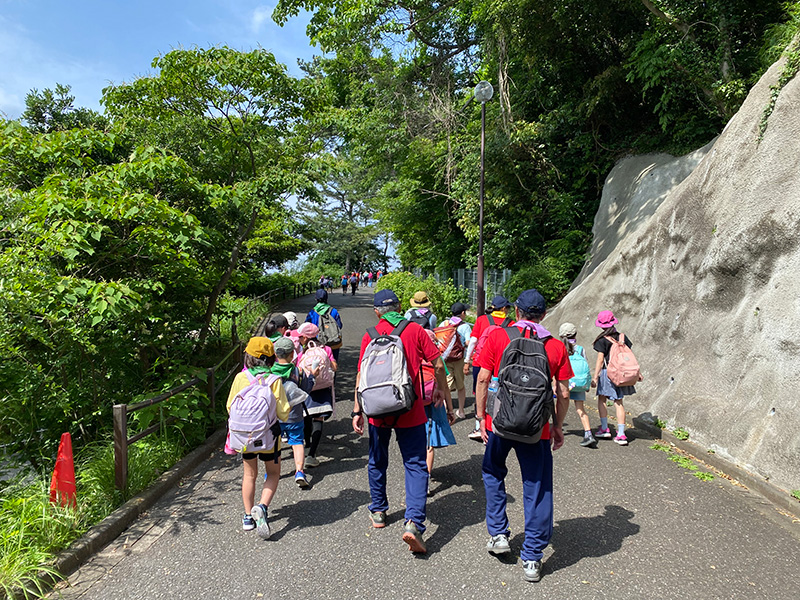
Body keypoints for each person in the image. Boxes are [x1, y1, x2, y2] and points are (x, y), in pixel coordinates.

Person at [475, 289, 572, 583]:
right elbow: (564, 392)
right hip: (537, 428)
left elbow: (482, 377)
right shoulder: (555, 346)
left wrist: (481, 418)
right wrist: (557, 424)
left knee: (493, 472)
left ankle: (499, 535)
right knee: (538, 487)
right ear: (543, 315)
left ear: (516, 312)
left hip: (500, 424)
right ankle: (532, 557)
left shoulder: (498, 336)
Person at [352, 289, 449, 554]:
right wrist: (440, 388)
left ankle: (379, 511)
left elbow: (362, 374)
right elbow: (438, 364)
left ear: (376, 311)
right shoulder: (415, 331)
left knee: (377, 460)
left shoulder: (369, 335)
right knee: (416, 464)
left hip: (376, 409)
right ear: (398, 306)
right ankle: (414, 522)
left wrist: (357, 410)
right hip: (410, 407)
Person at [227, 337, 289, 539]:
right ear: (271, 359)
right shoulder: (274, 381)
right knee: (272, 473)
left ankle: (247, 517)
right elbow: (283, 413)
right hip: (269, 438)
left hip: (245, 439)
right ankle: (262, 507)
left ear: (249, 357)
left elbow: (230, 406)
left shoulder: (239, 379)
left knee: (249, 475)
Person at [463, 295, 514, 440]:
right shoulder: (511, 323)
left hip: (480, 362)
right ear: (504, 308)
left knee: (479, 393)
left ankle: (479, 427)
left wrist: (467, 360)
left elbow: (473, 341)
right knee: (498, 394)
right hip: (500, 365)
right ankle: (496, 426)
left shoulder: (481, 320)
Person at [591, 310, 643, 445]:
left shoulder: (602, 340)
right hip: (621, 373)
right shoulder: (622, 337)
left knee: (602, 399)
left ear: (601, 325)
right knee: (619, 403)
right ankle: (621, 434)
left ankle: (604, 429)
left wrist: (595, 377)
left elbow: (600, 360)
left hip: (606, 373)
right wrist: (638, 372)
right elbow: (629, 355)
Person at [273, 336, 317, 488]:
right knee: (297, 442)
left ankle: (272, 473)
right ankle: (299, 471)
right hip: (294, 414)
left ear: (275, 354)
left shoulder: (270, 372)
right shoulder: (298, 371)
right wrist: (312, 376)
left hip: (275, 416)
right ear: (292, 354)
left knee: (275, 444)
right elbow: (305, 390)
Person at [297, 322, 338, 468]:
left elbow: (299, 370)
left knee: (307, 417)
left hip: (308, 388)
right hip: (322, 388)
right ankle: (311, 455)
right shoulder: (326, 349)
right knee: (318, 419)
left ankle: (307, 445)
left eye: (301, 337)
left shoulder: (303, 353)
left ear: (306, 337)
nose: (299, 339)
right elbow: (334, 366)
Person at [559, 322, 597, 448]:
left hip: (565, 383)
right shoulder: (580, 349)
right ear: (575, 334)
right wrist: (587, 383)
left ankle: (556, 430)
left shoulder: (561, 348)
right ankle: (588, 433)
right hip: (579, 383)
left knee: (559, 406)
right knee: (580, 409)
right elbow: (585, 366)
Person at [444, 302, 472, 420]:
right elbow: (468, 343)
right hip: (459, 358)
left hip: (445, 358)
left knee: (446, 385)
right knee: (460, 386)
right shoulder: (465, 326)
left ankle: (446, 409)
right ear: (462, 313)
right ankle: (461, 411)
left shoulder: (444, 323)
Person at [305, 288, 344, 362]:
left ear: (316, 298)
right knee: (333, 363)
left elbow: (306, 326)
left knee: (319, 363)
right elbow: (339, 325)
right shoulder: (333, 311)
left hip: (317, 343)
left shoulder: (313, 312)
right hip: (333, 342)